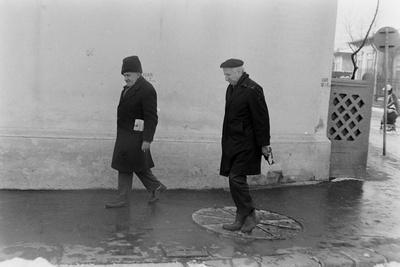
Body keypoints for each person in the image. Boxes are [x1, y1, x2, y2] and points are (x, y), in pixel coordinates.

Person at [105, 55, 166, 208]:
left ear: (138, 73)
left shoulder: (147, 90)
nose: (125, 78)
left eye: (128, 75)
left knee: (125, 166)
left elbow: (151, 117)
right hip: (125, 135)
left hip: (136, 136)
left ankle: (122, 198)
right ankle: (155, 186)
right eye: (124, 75)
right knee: (135, 165)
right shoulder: (128, 88)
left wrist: (147, 139)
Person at [219, 58, 272, 233]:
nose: (226, 78)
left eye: (228, 74)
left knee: (236, 178)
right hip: (232, 142)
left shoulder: (253, 89)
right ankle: (241, 216)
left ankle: (251, 213)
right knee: (234, 179)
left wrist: (264, 144)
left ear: (238, 71)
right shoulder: (232, 88)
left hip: (248, 144)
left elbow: (261, 119)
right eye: (225, 74)